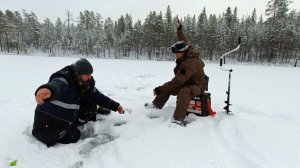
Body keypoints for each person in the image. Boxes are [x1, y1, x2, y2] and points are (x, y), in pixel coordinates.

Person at [32, 58, 124, 147]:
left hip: (66, 113)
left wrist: (116, 106)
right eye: (87, 74)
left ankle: (93, 112)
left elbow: (98, 96)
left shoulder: (83, 82)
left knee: (91, 103)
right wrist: (49, 89)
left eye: (90, 74)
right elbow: (58, 83)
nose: (90, 77)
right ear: (78, 73)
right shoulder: (65, 78)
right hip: (50, 121)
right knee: (74, 136)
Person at [145, 20, 207, 127]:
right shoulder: (187, 50)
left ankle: (178, 120)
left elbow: (178, 81)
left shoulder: (190, 63)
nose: (176, 55)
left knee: (183, 91)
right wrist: (179, 30)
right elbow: (183, 41)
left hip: (198, 85)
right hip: (187, 81)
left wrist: (159, 89)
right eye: (175, 53)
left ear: (183, 52)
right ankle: (156, 105)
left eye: (177, 53)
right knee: (168, 87)